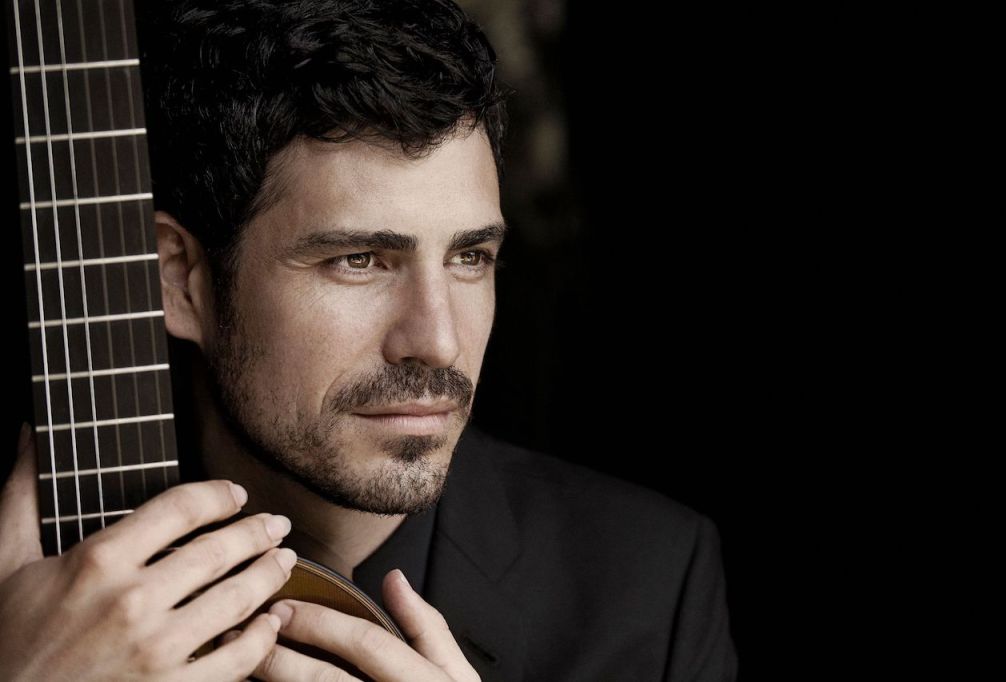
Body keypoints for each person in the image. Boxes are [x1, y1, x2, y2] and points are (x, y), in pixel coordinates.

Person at [0, 1, 738, 680]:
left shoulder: (649, 586)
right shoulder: (21, 610)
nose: (438, 342)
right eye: (359, 261)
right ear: (178, 280)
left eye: (469, 257)